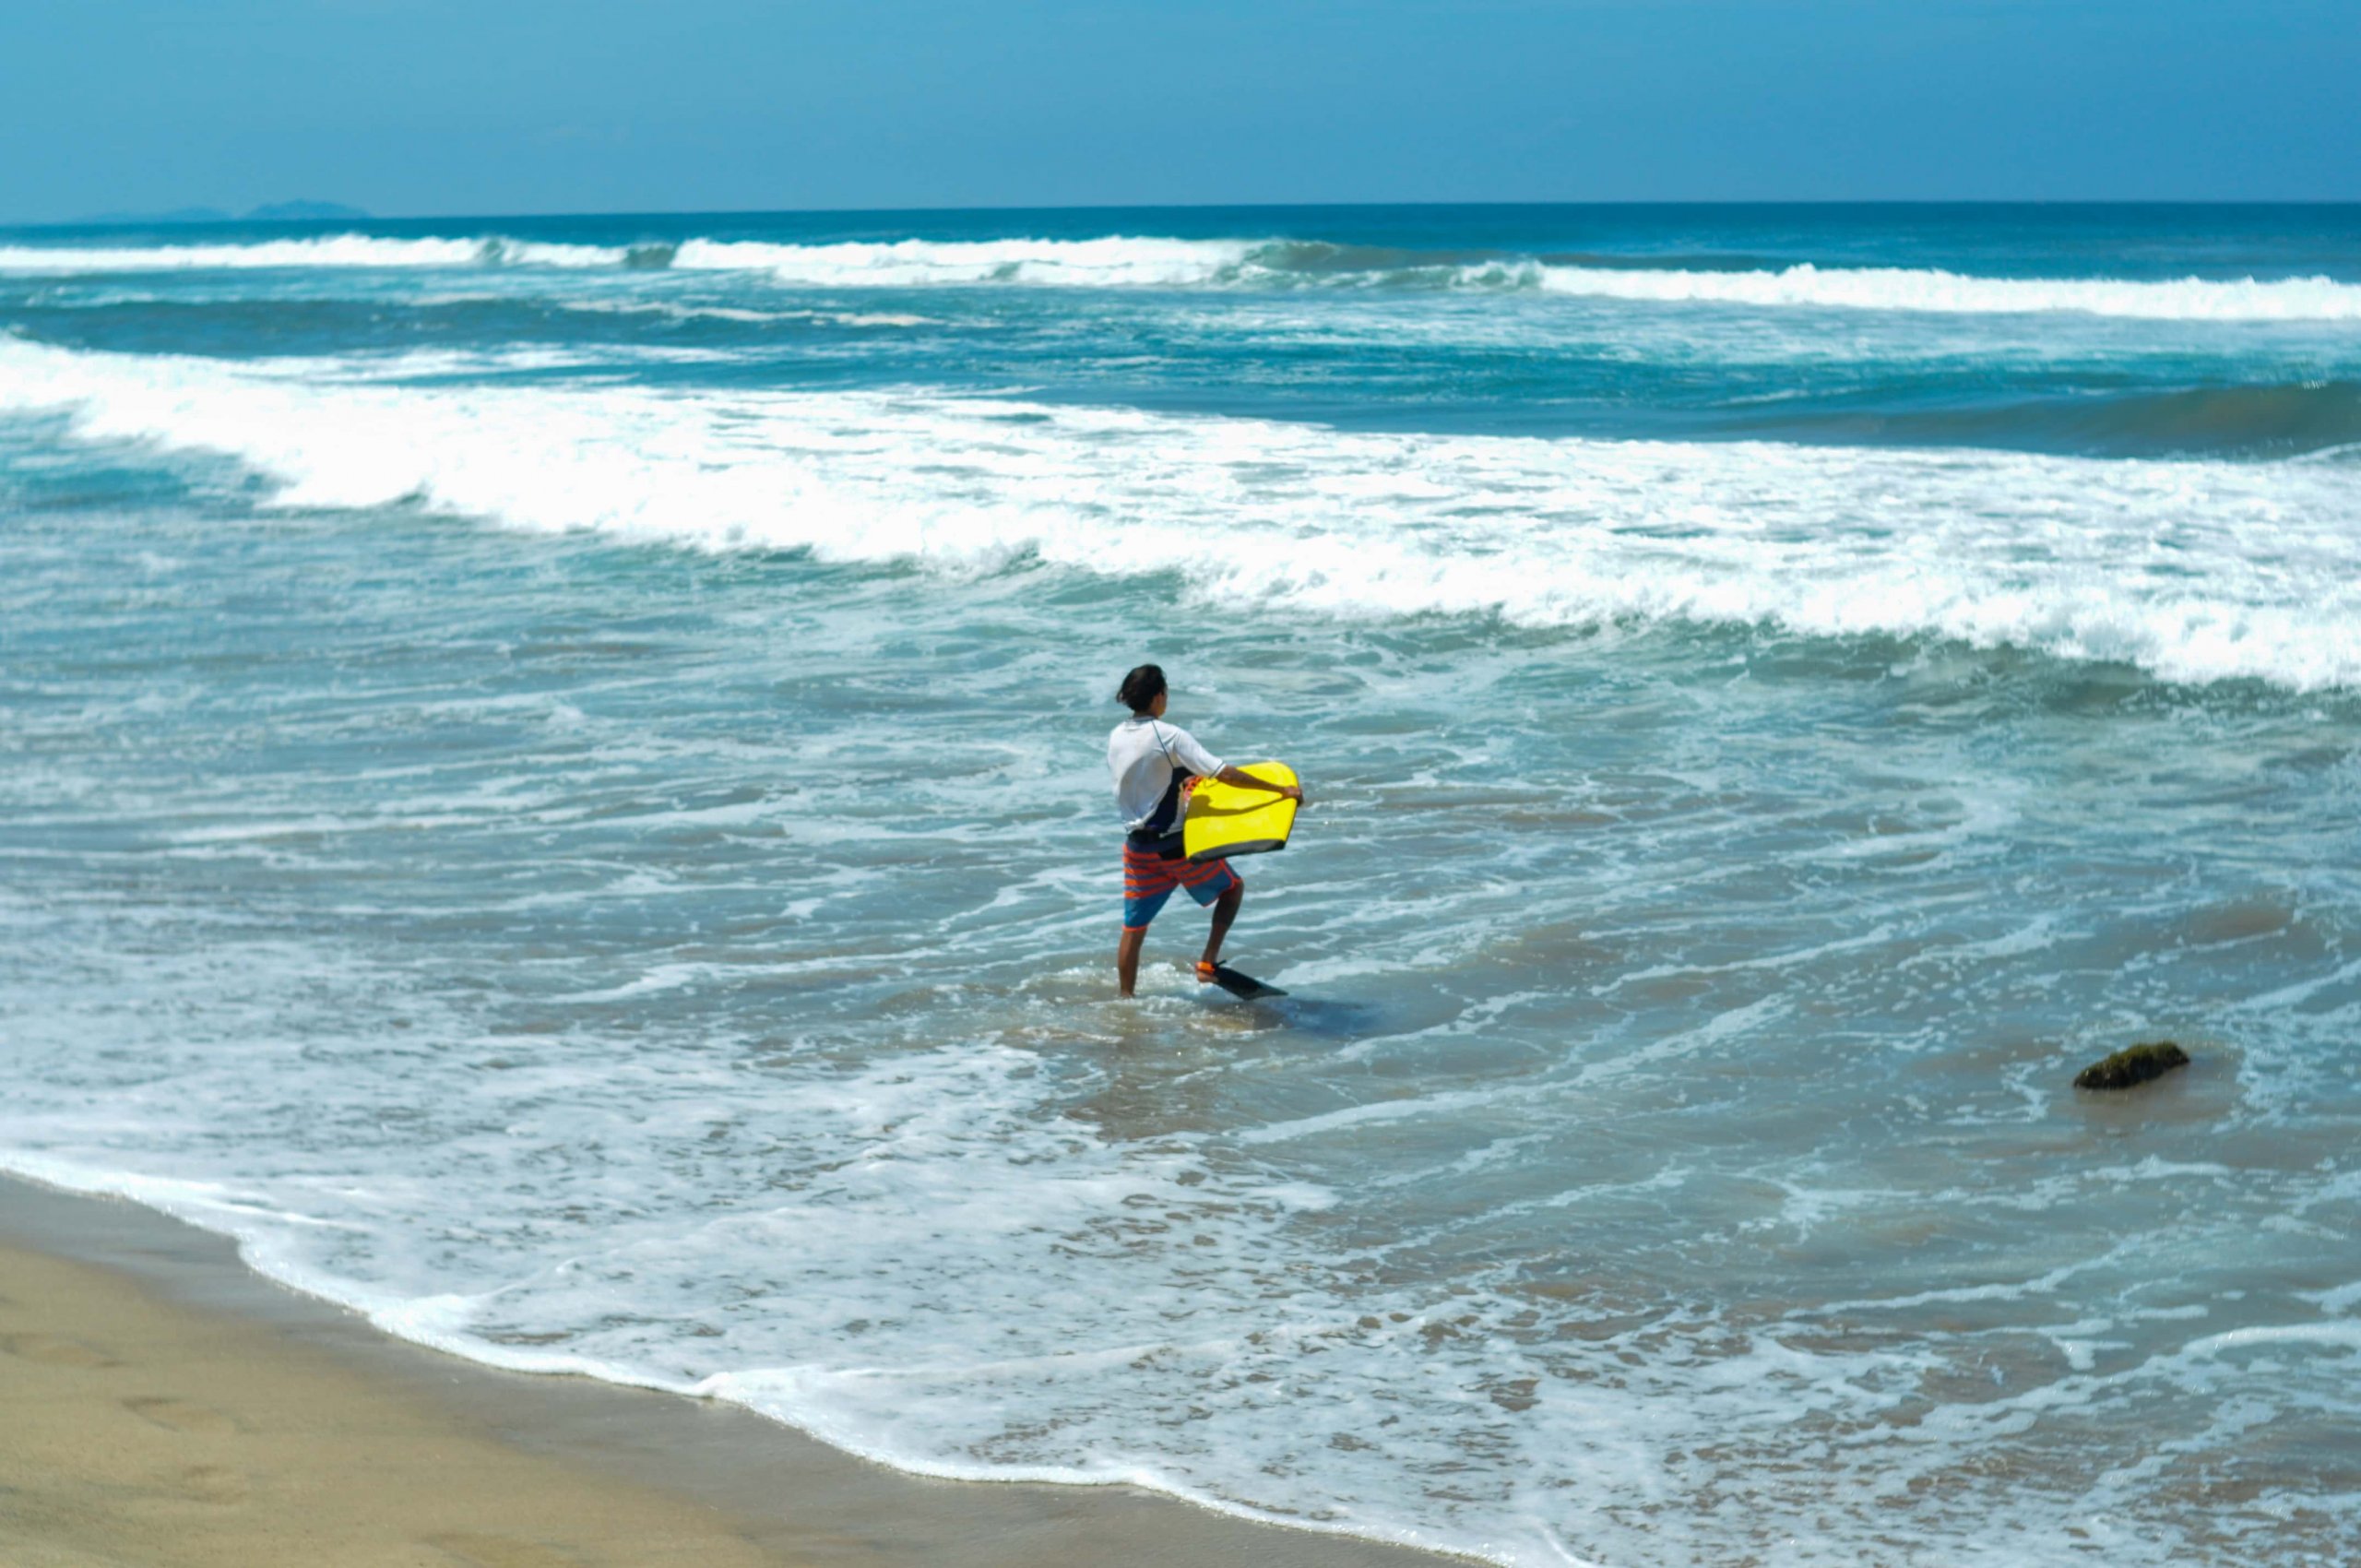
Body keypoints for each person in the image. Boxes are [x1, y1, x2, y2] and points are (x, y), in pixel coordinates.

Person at [1107, 663, 1302, 998]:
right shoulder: (1168, 735)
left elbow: (1147, 783)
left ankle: (1126, 1002)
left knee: (1134, 928)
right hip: (1174, 848)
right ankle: (1208, 963)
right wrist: (1278, 790)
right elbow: (1222, 772)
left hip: (1137, 850)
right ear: (1158, 696)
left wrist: (1183, 787)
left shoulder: (1116, 735)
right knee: (1233, 889)